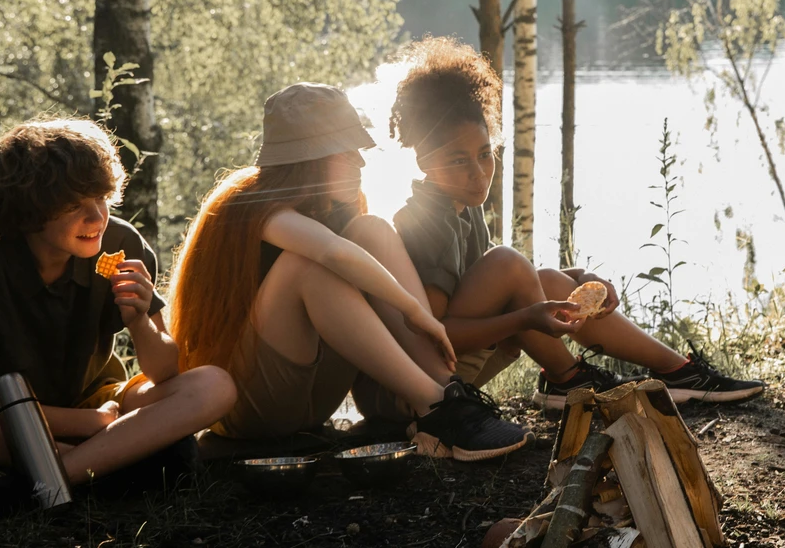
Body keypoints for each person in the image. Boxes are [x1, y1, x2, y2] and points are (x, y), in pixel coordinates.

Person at [357, 36, 764, 421]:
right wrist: (526, 319)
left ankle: (679, 371)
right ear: (424, 160)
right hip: (413, 393)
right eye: (458, 161)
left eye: (485, 154)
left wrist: (580, 279)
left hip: (450, 374)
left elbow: (502, 290)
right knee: (508, 263)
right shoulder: (425, 222)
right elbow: (436, 335)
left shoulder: (459, 207)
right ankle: (567, 379)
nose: (479, 173)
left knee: (549, 278)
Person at [168, 82, 531, 462]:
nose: (359, 162)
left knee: (371, 228)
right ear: (309, 160)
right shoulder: (254, 208)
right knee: (309, 265)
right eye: (345, 153)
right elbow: (332, 253)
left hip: (309, 400)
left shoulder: (336, 207)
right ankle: (434, 406)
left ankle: (449, 398)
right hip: (250, 407)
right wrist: (415, 310)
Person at [0, 119, 237, 491]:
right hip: (9, 414)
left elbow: (164, 372)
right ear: (29, 210)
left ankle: (50, 476)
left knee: (214, 385)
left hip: (102, 401)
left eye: (102, 198)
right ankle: (104, 460)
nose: (98, 217)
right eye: (74, 205)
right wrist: (88, 425)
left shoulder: (121, 242)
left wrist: (139, 323)